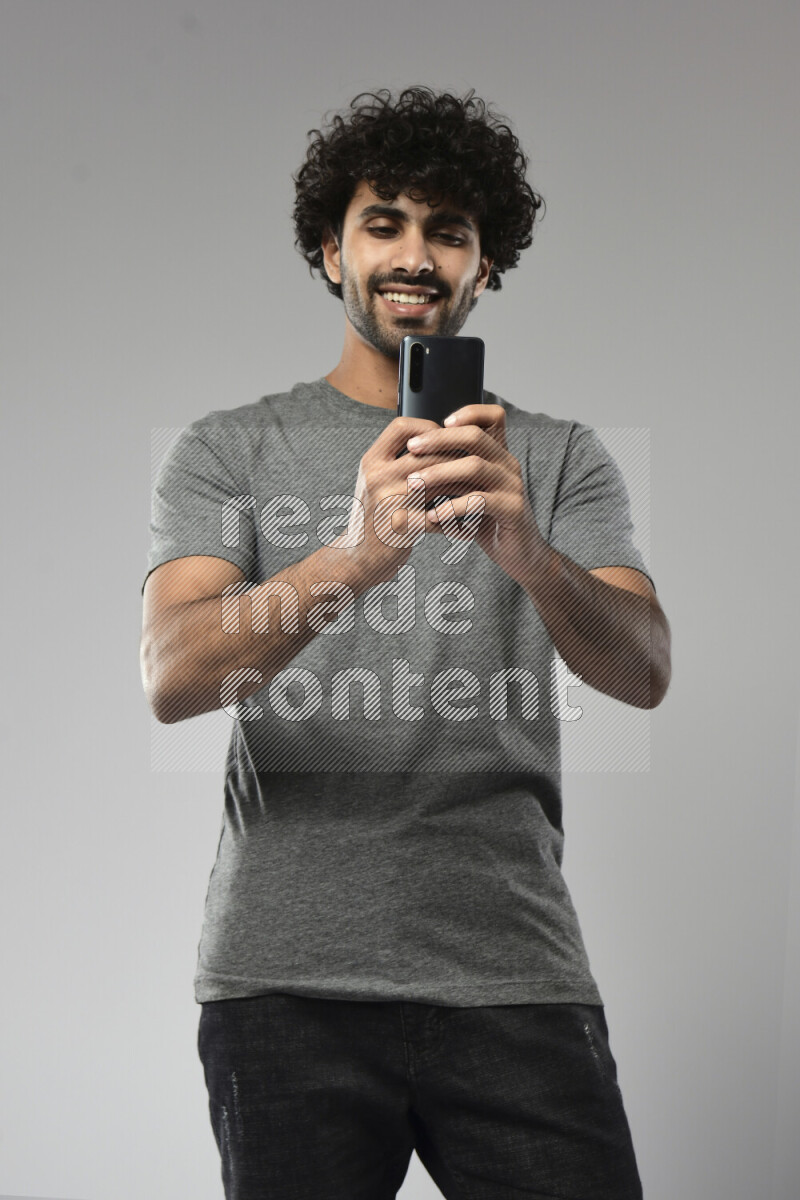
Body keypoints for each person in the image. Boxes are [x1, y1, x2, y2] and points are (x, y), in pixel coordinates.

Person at [141, 87, 671, 1200]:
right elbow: (173, 676)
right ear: (328, 252)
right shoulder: (231, 449)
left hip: (511, 971)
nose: (414, 255)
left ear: (485, 268)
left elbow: (643, 668)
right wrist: (354, 556)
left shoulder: (557, 456)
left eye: (449, 231)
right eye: (383, 222)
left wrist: (524, 548)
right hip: (285, 983)